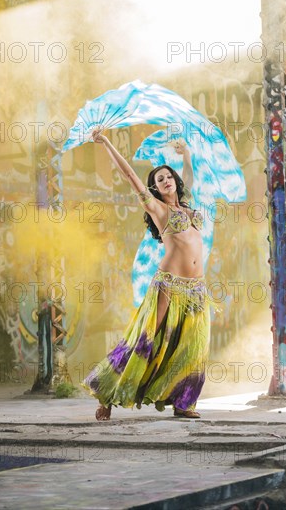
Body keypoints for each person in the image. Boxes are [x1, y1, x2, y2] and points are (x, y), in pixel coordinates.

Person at [80, 128, 211, 420]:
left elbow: (189, 177)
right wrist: (106, 143)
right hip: (168, 286)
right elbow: (129, 176)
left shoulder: (188, 210)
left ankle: (183, 402)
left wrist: (186, 155)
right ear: (154, 188)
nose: (165, 180)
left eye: (167, 176)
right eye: (158, 179)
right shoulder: (159, 210)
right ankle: (108, 393)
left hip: (197, 289)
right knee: (146, 341)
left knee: (193, 347)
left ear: (175, 182)